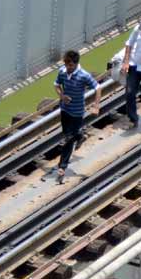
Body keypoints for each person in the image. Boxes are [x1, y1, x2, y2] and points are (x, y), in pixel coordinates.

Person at [51, 50, 101, 184]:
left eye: (71, 66)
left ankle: (62, 167)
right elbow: (56, 85)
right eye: (67, 65)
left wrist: (96, 106)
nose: (68, 68)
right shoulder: (62, 72)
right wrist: (61, 96)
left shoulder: (84, 75)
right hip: (65, 109)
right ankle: (81, 136)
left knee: (68, 139)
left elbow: (98, 88)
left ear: (76, 63)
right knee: (66, 134)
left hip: (77, 112)